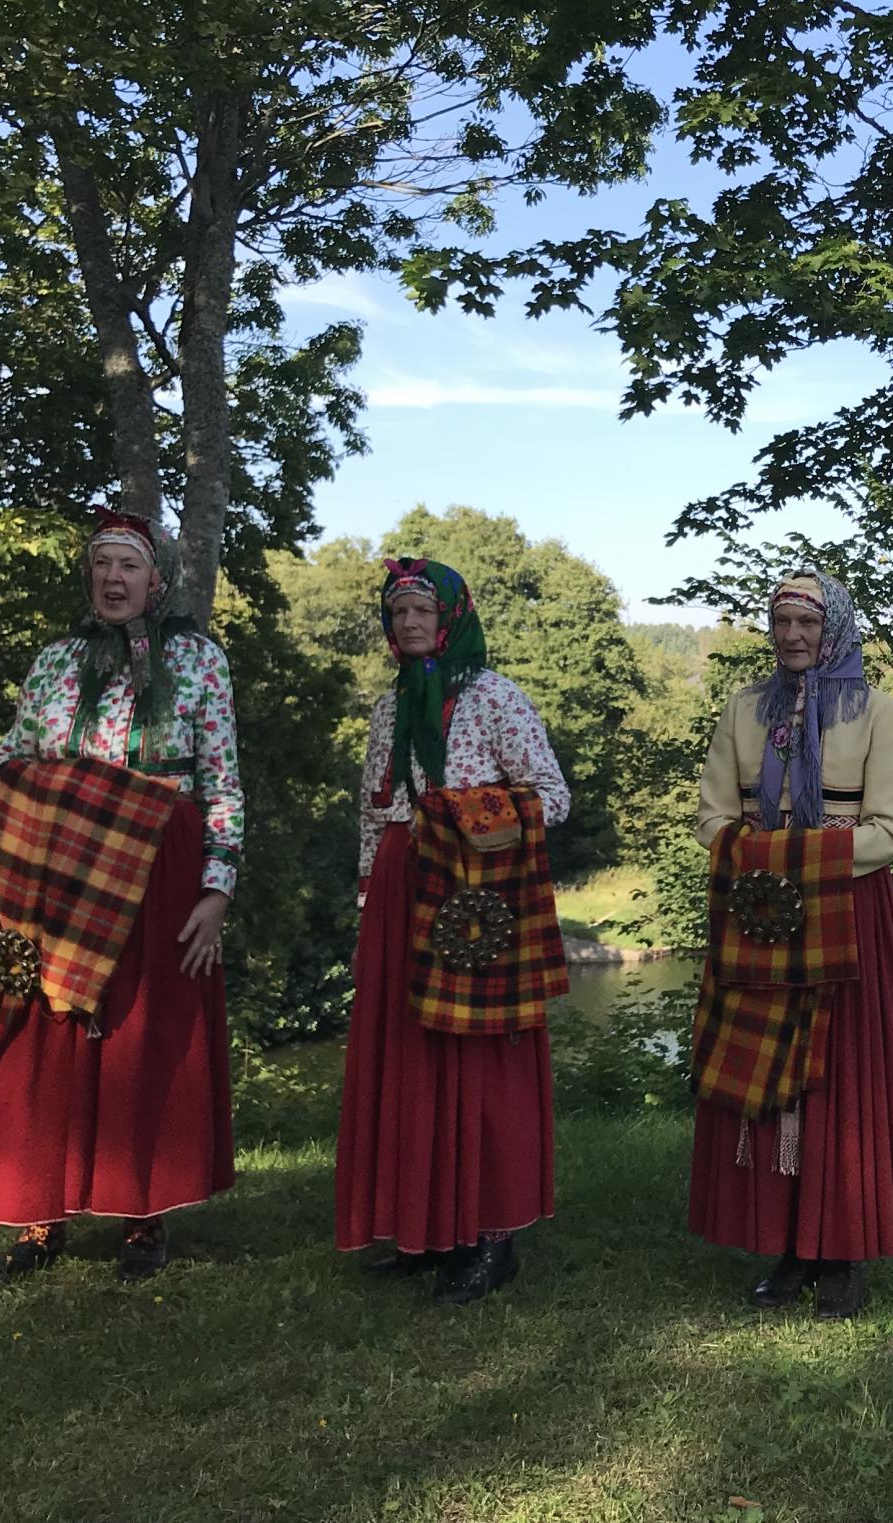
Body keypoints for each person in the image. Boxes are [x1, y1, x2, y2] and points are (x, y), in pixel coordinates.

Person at [0, 508, 240, 1284]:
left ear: (157, 581)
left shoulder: (197, 660)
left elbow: (221, 781)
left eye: (129, 567)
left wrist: (217, 886)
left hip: (160, 856)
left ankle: (142, 1214)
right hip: (59, 857)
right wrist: (28, 802)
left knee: (139, 1031)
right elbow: (9, 756)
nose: (114, 580)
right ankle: (40, 1212)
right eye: (102, 566)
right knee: (46, 1024)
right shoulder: (55, 661)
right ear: (89, 579)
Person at [688, 570, 893, 1319]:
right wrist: (759, 860)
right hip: (761, 908)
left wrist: (790, 853)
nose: (792, 636)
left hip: (846, 910)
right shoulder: (744, 708)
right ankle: (789, 1243)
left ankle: (845, 1251)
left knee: (841, 1078)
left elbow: (888, 832)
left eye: (808, 624)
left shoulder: (879, 713)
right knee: (771, 1078)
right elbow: (712, 816)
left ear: (837, 629)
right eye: (781, 621)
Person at [335, 558, 573, 1305]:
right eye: (397, 611)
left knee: (474, 1065)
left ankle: (489, 1237)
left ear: (452, 617)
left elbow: (551, 797)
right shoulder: (386, 708)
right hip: (403, 895)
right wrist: (369, 907)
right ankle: (423, 1227)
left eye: (421, 610)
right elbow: (375, 815)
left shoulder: (495, 696)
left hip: (474, 895)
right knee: (406, 1058)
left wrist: (460, 819)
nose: (409, 623)